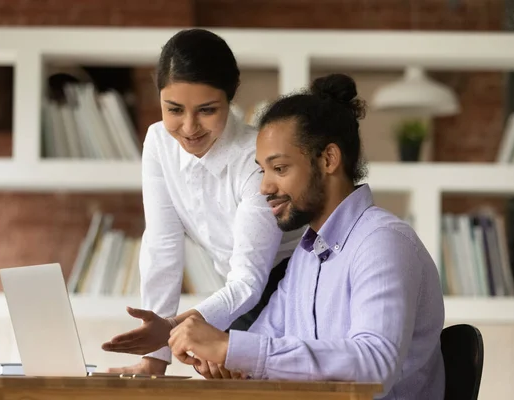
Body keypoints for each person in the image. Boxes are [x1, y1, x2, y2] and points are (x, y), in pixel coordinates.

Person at [166, 73, 446, 400]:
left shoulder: (382, 242)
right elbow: (264, 340)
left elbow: (375, 363)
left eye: (280, 169)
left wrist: (231, 347)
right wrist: (226, 360)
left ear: (328, 159)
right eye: (263, 170)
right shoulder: (306, 254)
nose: (265, 187)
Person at [101, 28, 304, 375]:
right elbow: (162, 246)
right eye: (174, 109)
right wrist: (154, 361)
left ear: (232, 95)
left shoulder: (256, 160)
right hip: (233, 292)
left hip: (290, 286)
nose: (189, 127)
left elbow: (250, 280)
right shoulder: (158, 142)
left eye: (207, 110)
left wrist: (171, 329)